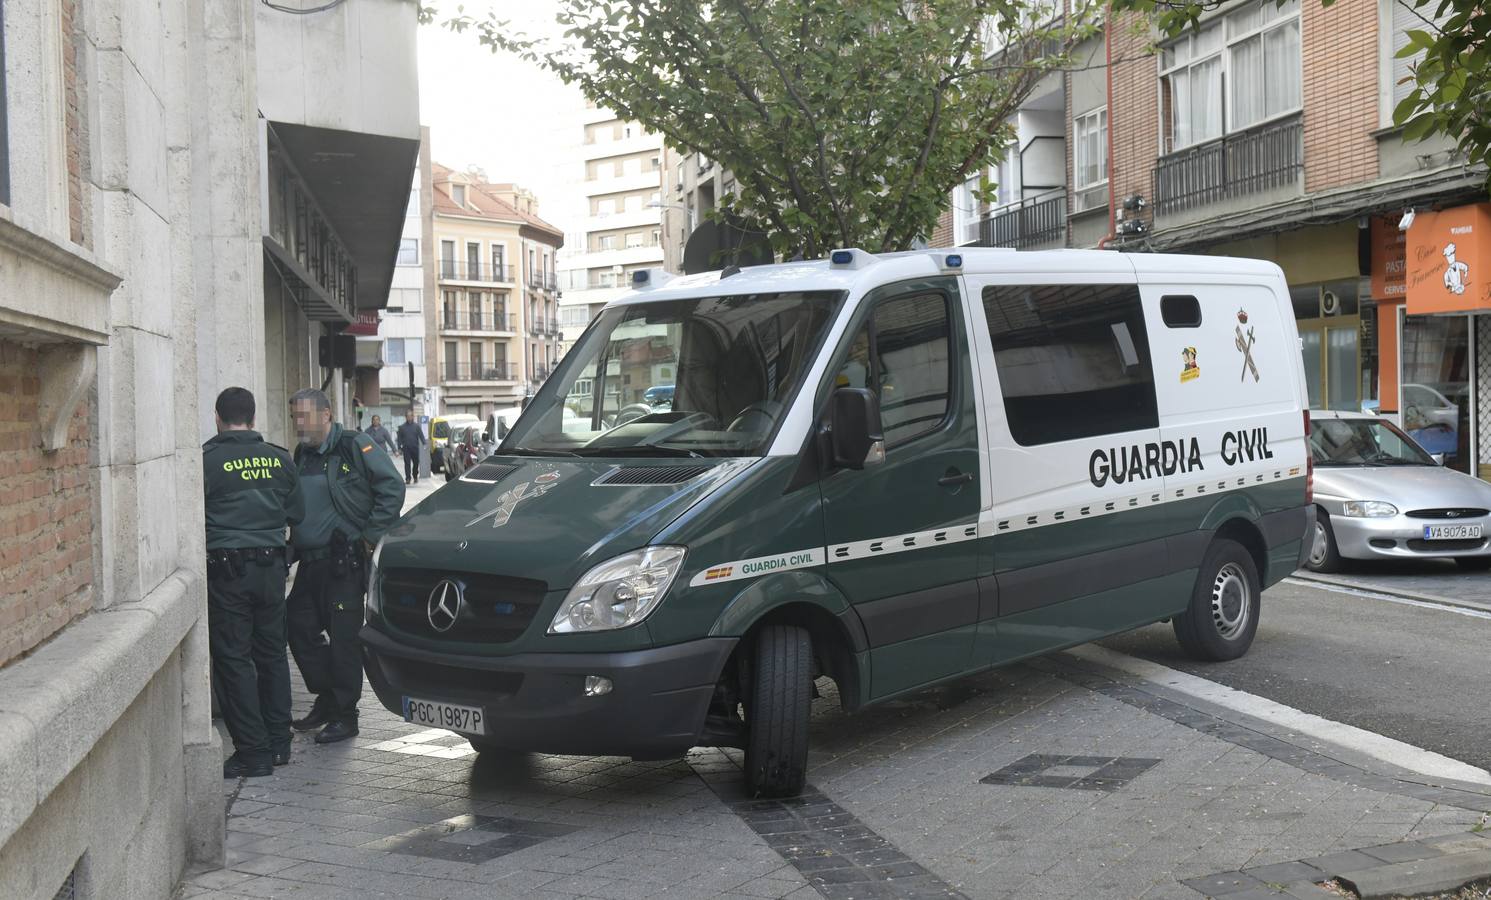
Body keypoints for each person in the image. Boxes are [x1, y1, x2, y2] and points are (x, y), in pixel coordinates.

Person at [286, 388, 405, 744]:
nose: (299, 424)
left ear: (326, 415)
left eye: (304, 416)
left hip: (344, 564)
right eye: (294, 417)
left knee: (344, 642)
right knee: (297, 626)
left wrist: (370, 534)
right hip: (309, 564)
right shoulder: (302, 454)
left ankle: (346, 715)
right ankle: (327, 697)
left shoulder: (354, 445)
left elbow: (392, 487)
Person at [202, 387, 305, 778]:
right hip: (271, 570)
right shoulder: (279, 459)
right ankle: (280, 743)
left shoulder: (207, 461)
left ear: (217, 416)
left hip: (228, 572)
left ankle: (253, 751)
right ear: (253, 417)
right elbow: (298, 512)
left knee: (233, 660)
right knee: (273, 654)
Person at [396, 411, 426, 484]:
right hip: (406, 448)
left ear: (412, 417)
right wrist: (399, 447)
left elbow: (421, 435)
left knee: (416, 463)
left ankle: (415, 476)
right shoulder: (402, 427)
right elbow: (399, 438)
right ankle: (408, 478)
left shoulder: (416, 426)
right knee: (407, 463)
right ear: (406, 417)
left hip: (415, 447)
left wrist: (424, 443)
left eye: (410, 416)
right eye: (407, 416)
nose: (409, 417)